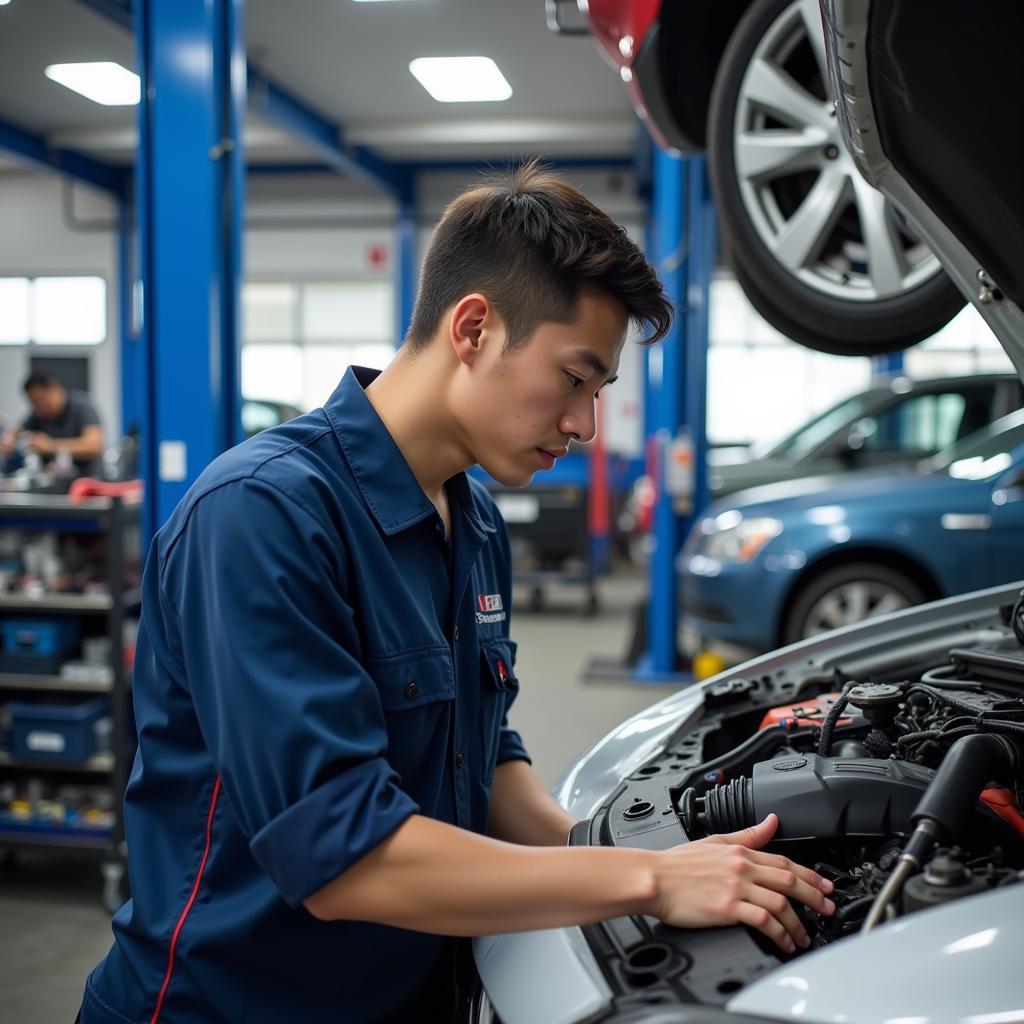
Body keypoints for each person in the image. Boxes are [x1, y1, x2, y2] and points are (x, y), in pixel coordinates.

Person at [79, 164, 834, 1024]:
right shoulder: (263, 515)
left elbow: (481, 742)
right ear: (472, 327)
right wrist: (650, 879)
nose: (587, 426)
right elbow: (345, 858)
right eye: (575, 378)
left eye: (599, 393)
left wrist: (600, 849)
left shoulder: (473, 517)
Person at [0, 373, 104, 478]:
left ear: (54, 389)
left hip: (87, 482)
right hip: (56, 481)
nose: (38, 407)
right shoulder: (40, 413)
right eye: (33, 403)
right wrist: (9, 440)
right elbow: (17, 431)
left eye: (40, 400)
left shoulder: (83, 407)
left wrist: (51, 446)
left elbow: (94, 445)